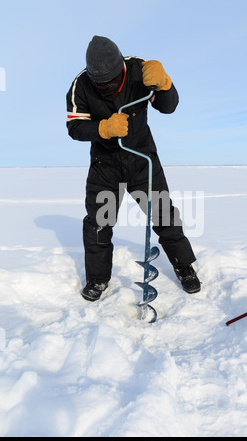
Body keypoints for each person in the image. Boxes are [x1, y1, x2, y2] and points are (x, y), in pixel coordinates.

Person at [66, 36, 201, 301]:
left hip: (142, 160)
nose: (106, 88)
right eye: (99, 84)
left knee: (164, 216)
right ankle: (97, 279)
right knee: (98, 224)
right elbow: (75, 127)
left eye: (111, 82)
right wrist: (103, 128)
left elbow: (168, 106)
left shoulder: (141, 70)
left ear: (120, 70)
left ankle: (184, 266)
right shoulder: (80, 85)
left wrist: (165, 84)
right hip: (105, 166)